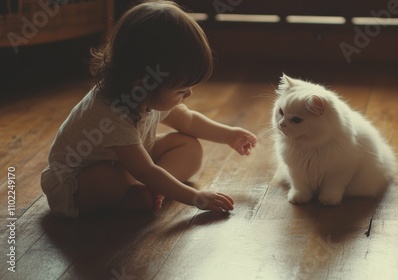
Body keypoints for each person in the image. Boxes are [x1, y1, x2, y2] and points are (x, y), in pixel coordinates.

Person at [40, 1, 257, 218]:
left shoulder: (146, 91)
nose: (188, 96)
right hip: (80, 183)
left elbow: (188, 121)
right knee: (110, 177)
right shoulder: (110, 114)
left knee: (189, 146)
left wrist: (229, 135)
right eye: (182, 90)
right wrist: (195, 197)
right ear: (143, 84)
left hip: (131, 163)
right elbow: (144, 170)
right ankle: (134, 194)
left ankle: (152, 188)